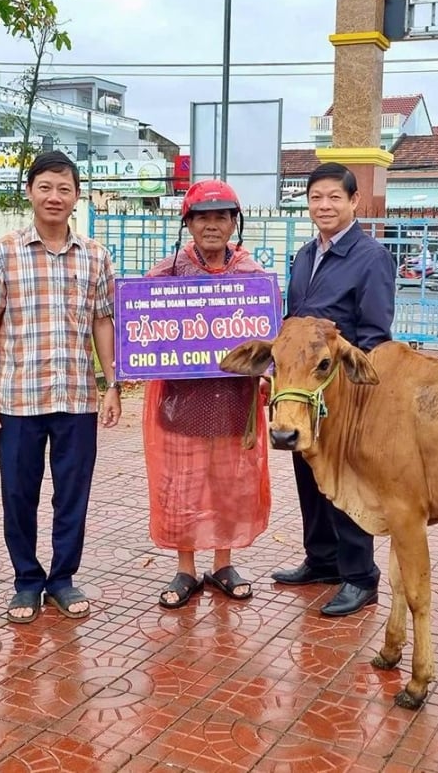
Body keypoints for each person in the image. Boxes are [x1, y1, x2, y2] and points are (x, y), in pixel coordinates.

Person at [0, 151, 121, 624]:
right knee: (18, 492)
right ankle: (26, 581)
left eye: (65, 188)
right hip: (17, 397)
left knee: (73, 492)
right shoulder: (4, 251)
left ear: (77, 196)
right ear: (30, 191)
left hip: (77, 397)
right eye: (46, 187)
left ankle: (61, 579)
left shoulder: (95, 255)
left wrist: (113, 383)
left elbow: (103, 321)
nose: (55, 197)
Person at [271, 162, 396, 617]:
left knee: (346, 484)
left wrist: (337, 372)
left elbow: (376, 334)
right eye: (316, 198)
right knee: (310, 476)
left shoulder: (370, 257)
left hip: (342, 395)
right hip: (302, 393)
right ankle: (321, 561)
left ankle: (360, 577)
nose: (324, 206)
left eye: (334, 198)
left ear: (353, 202)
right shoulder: (305, 255)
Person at [142, 180, 271, 609]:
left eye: (221, 217)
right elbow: (139, 330)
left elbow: (270, 341)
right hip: (183, 405)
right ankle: (186, 569)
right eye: (202, 217)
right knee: (182, 487)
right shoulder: (164, 276)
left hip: (235, 404)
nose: (212, 225)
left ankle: (223, 563)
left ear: (235, 223)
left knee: (230, 484)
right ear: (188, 224)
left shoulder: (254, 278)